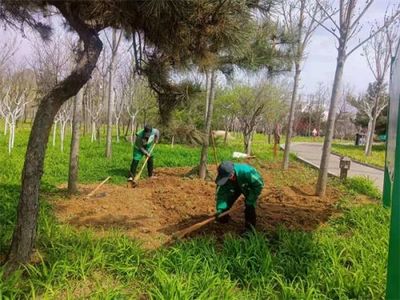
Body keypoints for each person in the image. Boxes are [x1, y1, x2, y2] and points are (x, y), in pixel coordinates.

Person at [215, 161, 264, 231]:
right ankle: (223, 218)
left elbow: (259, 184)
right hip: (234, 186)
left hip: (249, 186)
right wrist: (220, 208)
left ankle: (249, 229)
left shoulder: (246, 172)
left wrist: (250, 200)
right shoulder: (224, 177)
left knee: (249, 206)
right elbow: (222, 193)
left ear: (231, 174)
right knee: (225, 203)